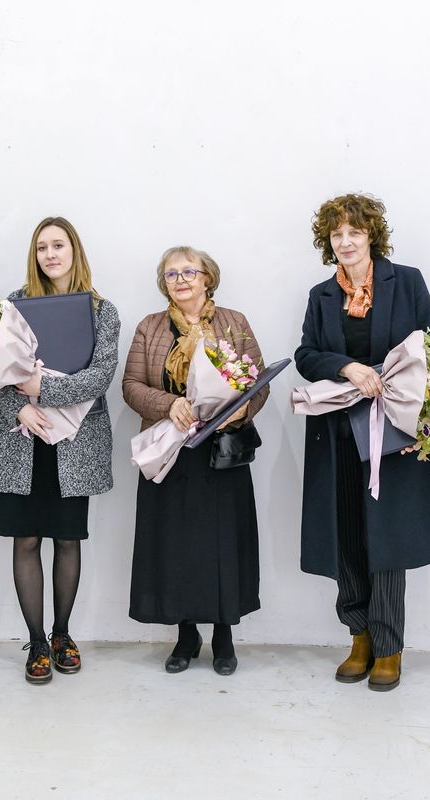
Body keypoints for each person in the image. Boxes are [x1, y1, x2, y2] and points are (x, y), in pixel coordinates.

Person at [294, 193, 430, 692]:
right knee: (345, 535)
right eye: (336, 235)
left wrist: (424, 426)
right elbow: (306, 354)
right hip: (338, 434)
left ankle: (388, 646)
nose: (345, 241)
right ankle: (358, 635)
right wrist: (346, 366)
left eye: (354, 233)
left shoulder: (405, 281)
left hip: (395, 432)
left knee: (386, 539)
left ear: (371, 236)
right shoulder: (321, 295)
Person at [0, 217, 120, 684]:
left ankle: (62, 634)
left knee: (66, 538)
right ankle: (36, 641)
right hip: (22, 439)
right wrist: (19, 407)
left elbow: (100, 377)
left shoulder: (102, 311)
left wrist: (43, 389)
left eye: (58, 245)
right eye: (42, 247)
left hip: (73, 442)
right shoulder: (13, 307)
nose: (50, 254)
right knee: (26, 539)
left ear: (74, 251)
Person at [123, 246, 269, 676]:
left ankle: (224, 635)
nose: (181, 279)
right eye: (171, 274)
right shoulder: (150, 327)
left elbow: (258, 381)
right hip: (170, 451)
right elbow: (131, 386)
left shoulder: (234, 323)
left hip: (222, 452)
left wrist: (242, 408)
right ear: (163, 283)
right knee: (175, 546)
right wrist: (168, 404)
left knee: (224, 543)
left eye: (190, 271)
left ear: (208, 278)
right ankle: (186, 636)